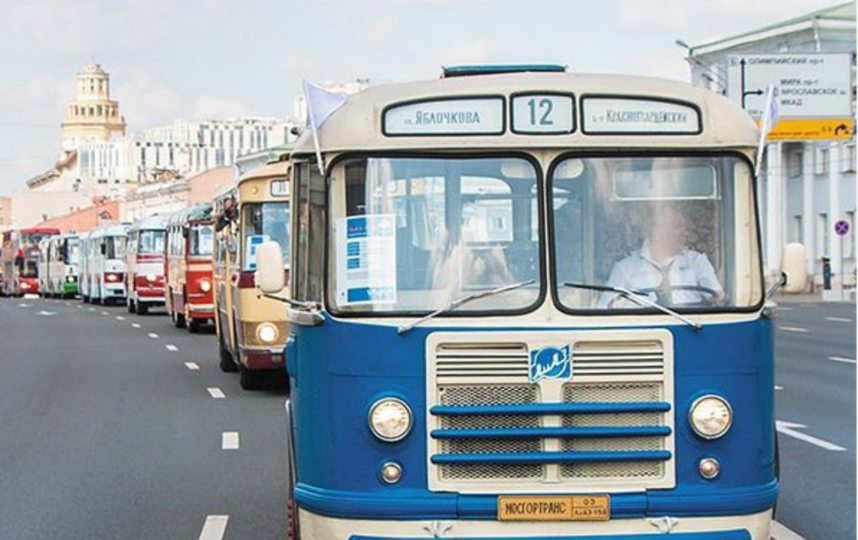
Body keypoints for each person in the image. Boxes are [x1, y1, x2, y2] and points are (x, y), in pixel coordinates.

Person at [600, 204, 725, 308]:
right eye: (677, 227)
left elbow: (718, 297)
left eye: (685, 228)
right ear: (656, 231)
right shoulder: (625, 268)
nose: (685, 232)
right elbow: (604, 308)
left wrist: (719, 298)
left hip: (691, 327)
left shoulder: (696, 261)